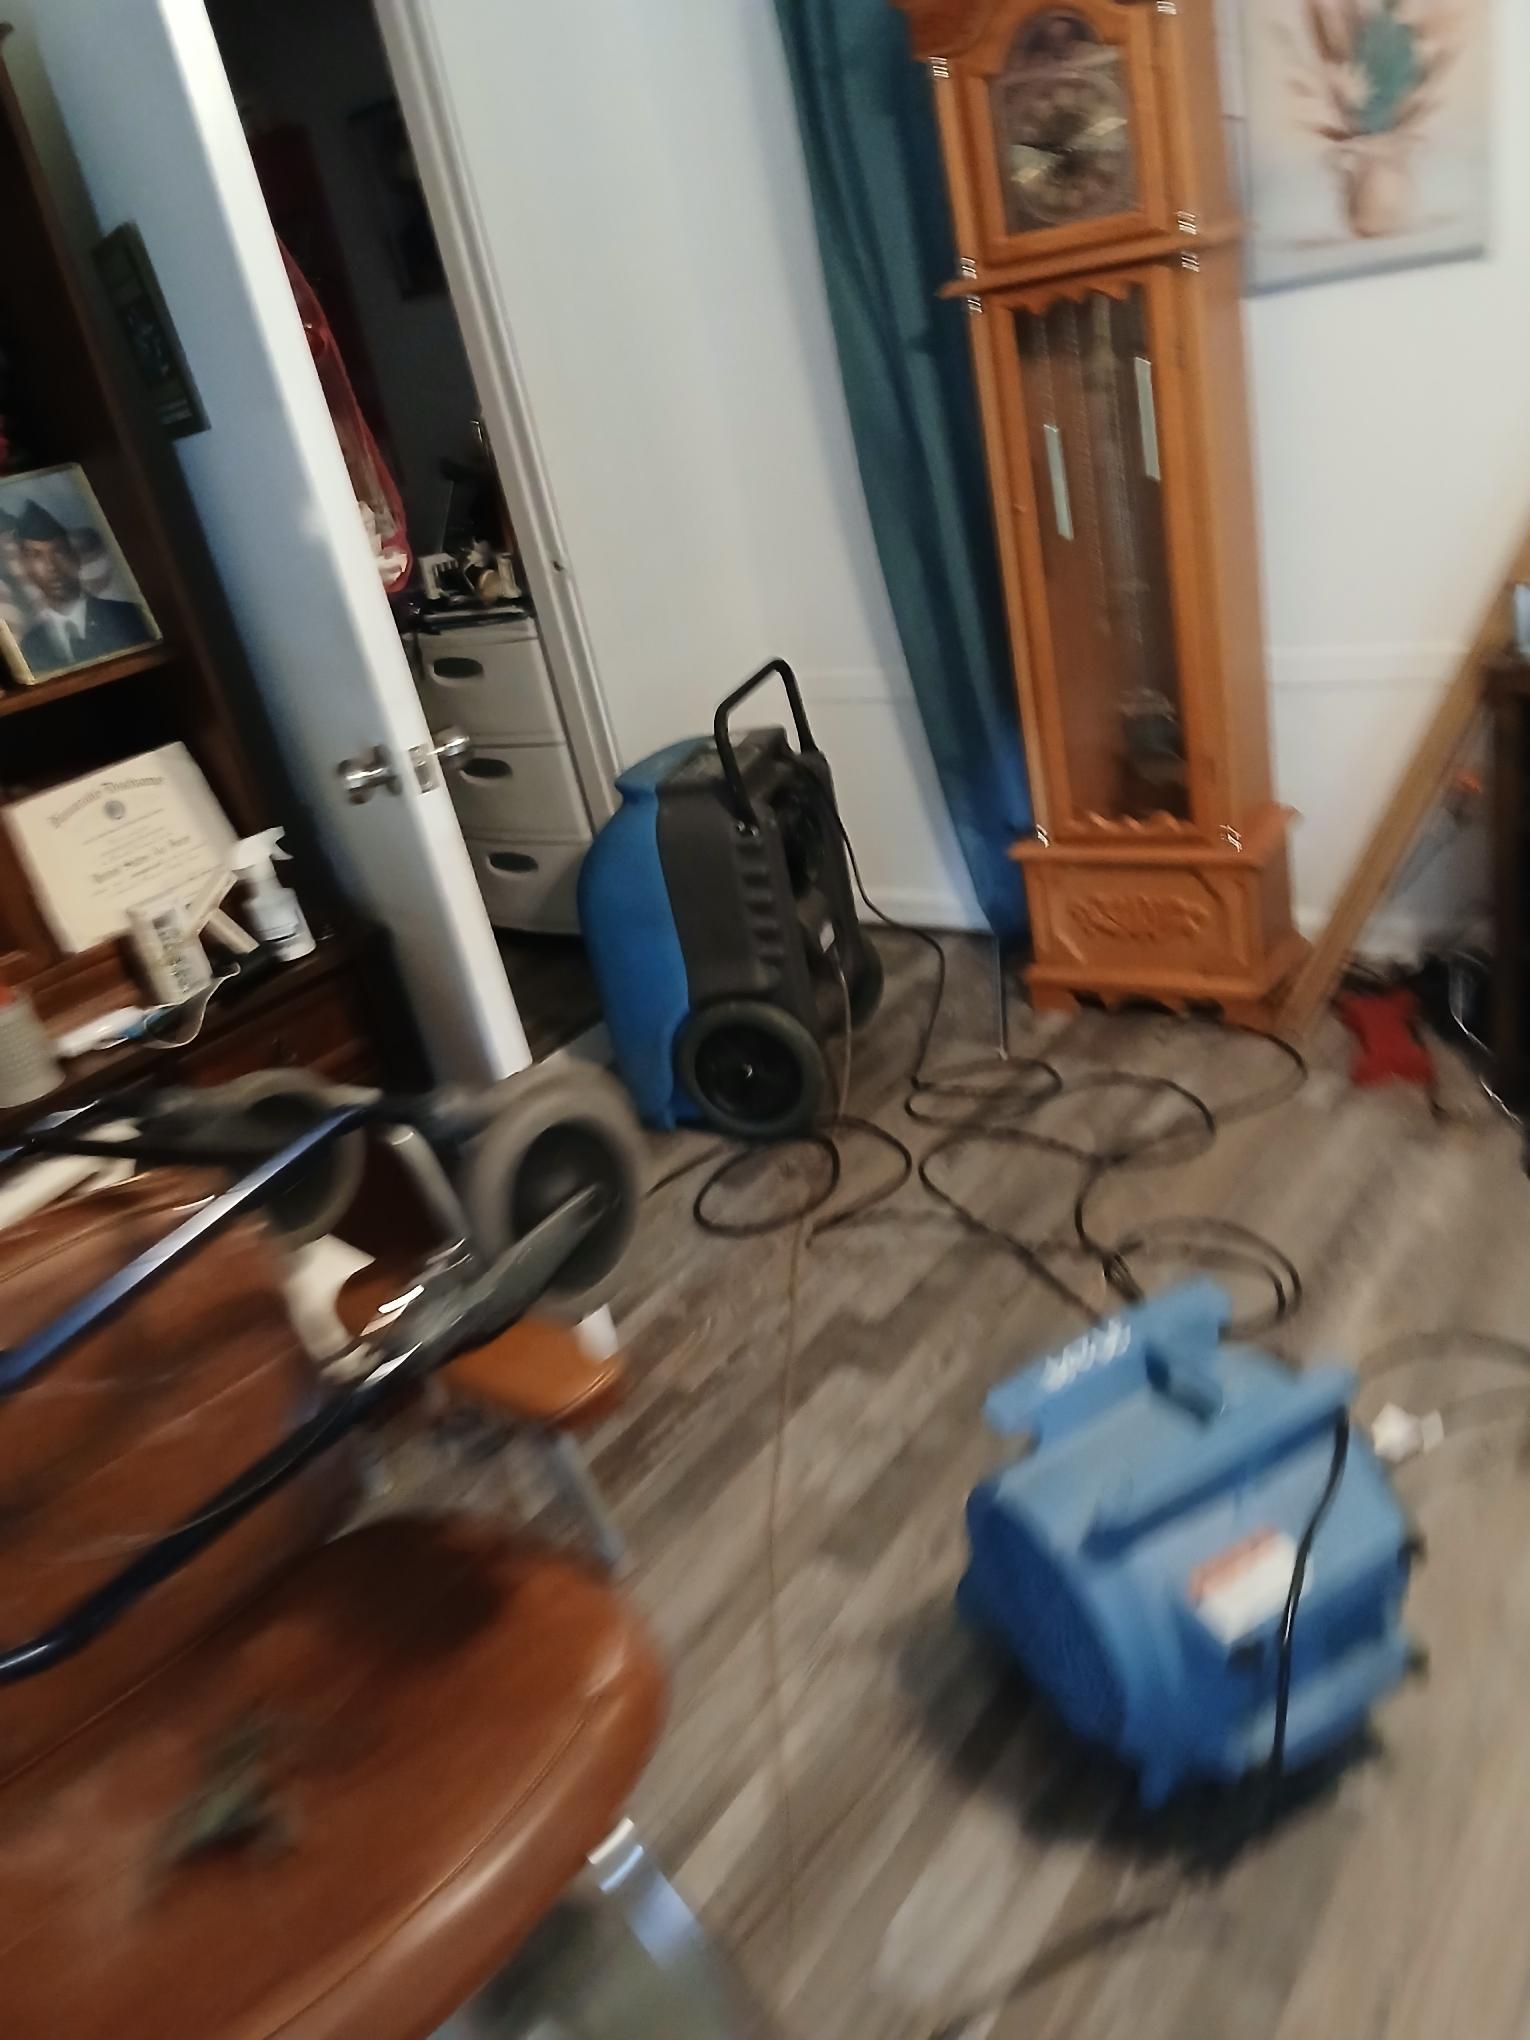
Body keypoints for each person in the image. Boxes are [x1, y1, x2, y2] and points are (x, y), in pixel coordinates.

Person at [11, 498, 148, 677]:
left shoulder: (128, 616)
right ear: (26, 567)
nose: (51, 566)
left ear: (76, 558)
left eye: (58, 552)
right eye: (36, 556)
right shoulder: (30, 645)